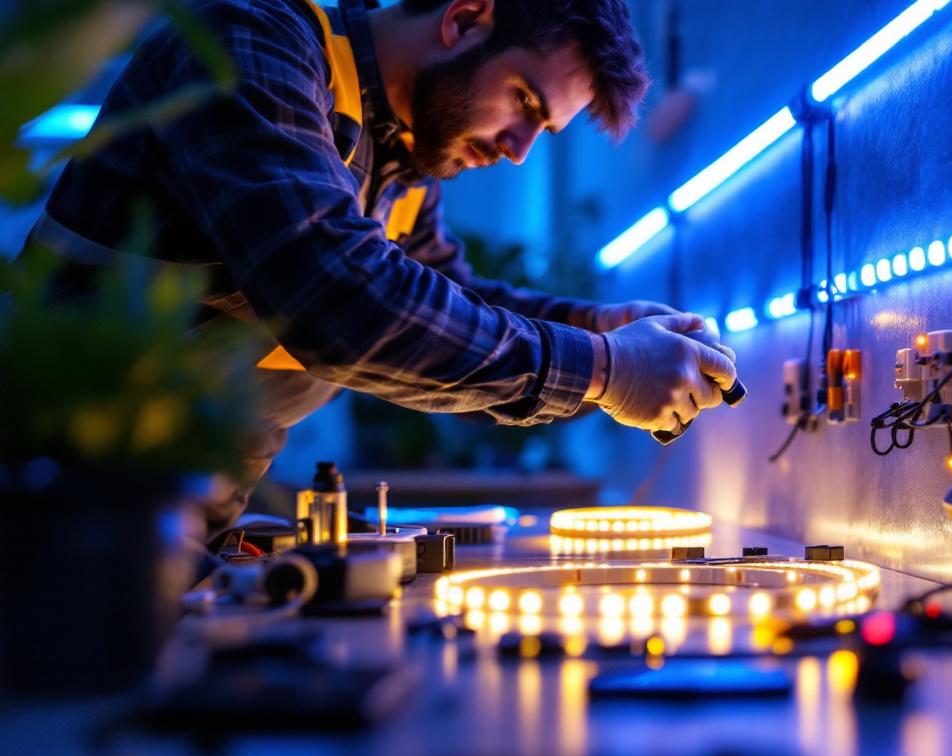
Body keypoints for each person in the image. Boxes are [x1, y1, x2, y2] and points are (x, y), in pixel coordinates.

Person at [26, 0, 736, 533]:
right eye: (523, 100)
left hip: (166, 542)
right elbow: (336, 295)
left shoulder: (402, 167)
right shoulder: (252, 41)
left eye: (540, 130)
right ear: (464, 19)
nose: (519, 148)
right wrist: (606, 369)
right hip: (48, 525)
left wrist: (596, 324)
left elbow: (453, 300)